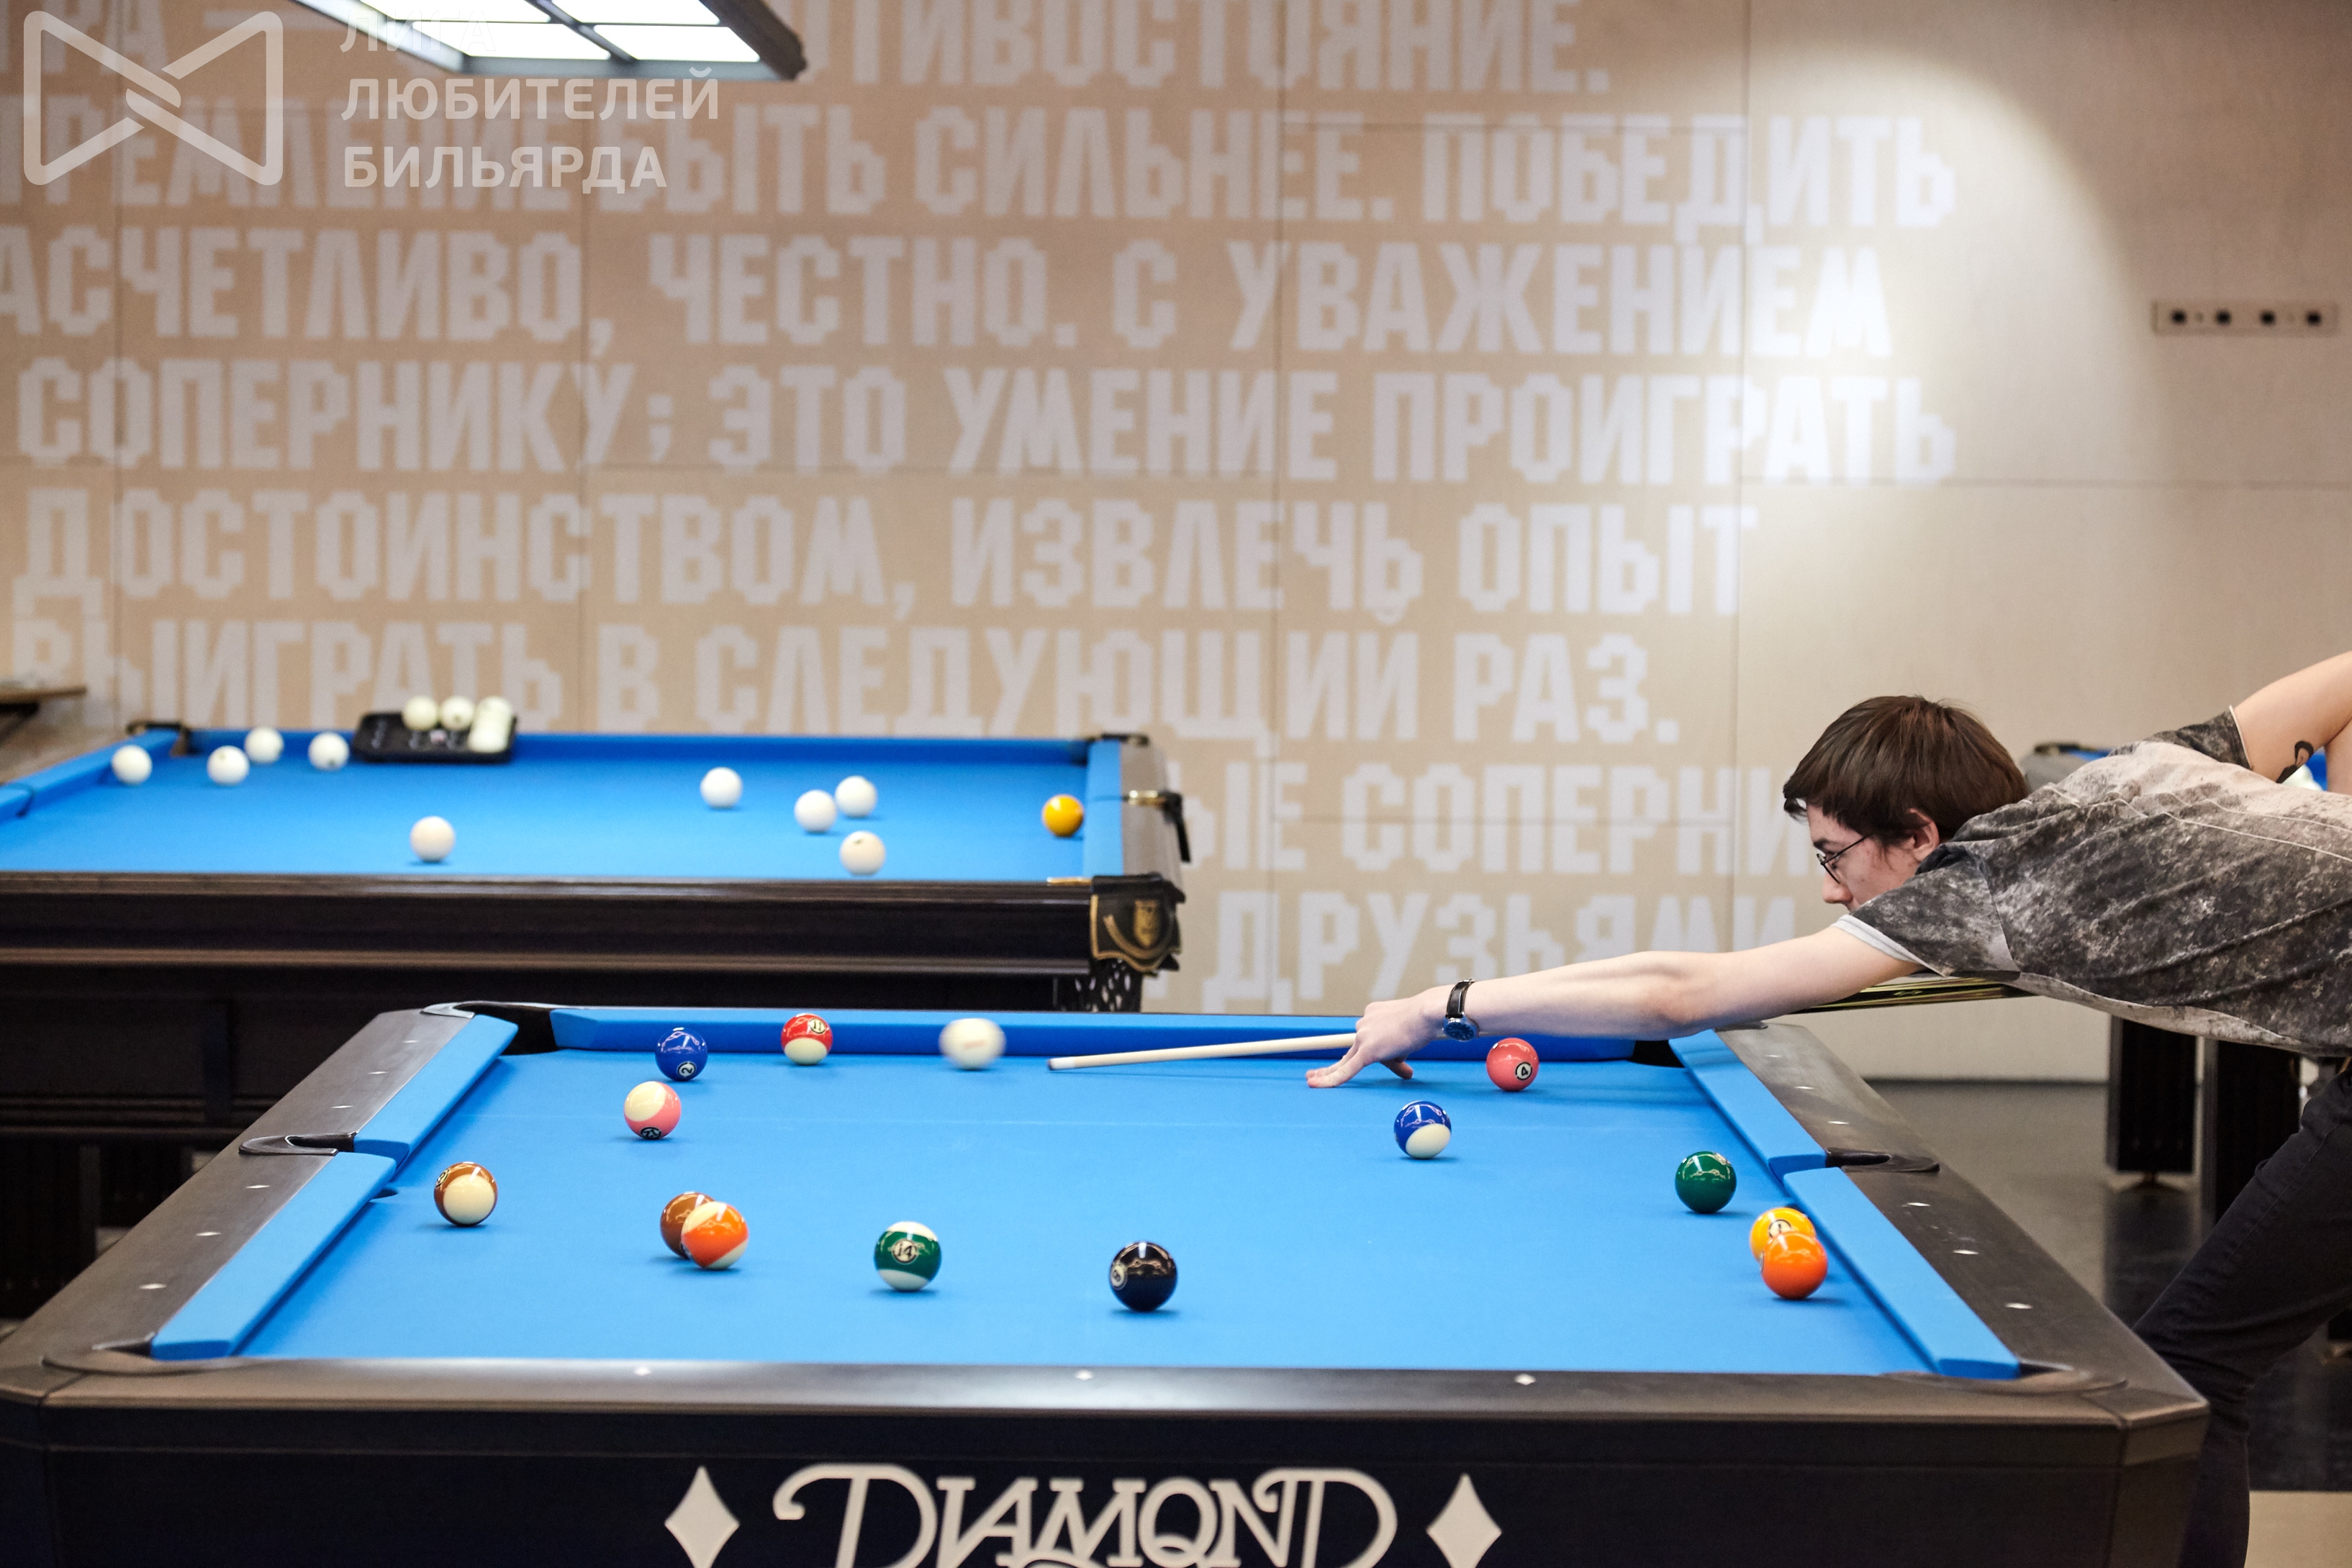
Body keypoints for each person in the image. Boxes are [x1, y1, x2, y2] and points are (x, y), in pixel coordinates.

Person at [1311, 653, 2352, 1568]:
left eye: (1834, 855)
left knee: (2193, 1372)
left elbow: (1679, 992)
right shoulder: (2140, 770)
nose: (1829, 889)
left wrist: (1442, 1006)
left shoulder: (1981, 885)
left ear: (1920, 836)